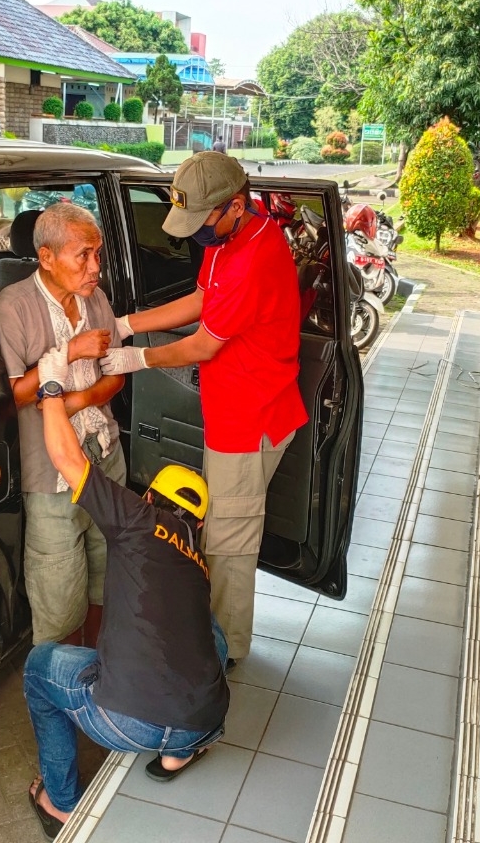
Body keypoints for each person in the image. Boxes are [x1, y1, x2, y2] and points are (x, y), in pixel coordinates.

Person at [99, 151, 308, 664]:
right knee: (221, 531)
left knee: (229, 543)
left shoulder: (254, 256)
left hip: (252, 418)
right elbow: (199, 299)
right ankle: (215, 638)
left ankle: (224, 653)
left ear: (236, 206)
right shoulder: (229, 237)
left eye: (202, 222)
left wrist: (134, 357)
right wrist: (129, 321)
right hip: (233, 408)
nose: (196, 235)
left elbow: (201, 345)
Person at [24, 344, 229, 840]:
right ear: (196, 523)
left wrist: (50, 387)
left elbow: (66, 457)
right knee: (212, 634)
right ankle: (179, 753)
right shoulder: (198, 562)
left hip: (124, 723)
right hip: (203, 719)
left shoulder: (136, 519)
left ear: (151, 497)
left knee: (38, 669)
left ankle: (61, 803)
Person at [0, 202, 125, 649]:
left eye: (98, 255)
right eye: (83, 255)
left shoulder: (96, 299)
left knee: (109, 571)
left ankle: (100, 670)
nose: (95, 268)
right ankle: (60, 688)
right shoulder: (13, 306)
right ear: (46, 257)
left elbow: (116, 373)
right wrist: (69, 351)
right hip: (50, 473)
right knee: (58, 587)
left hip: (106, 453)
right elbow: (17, 393)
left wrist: (78, 401)